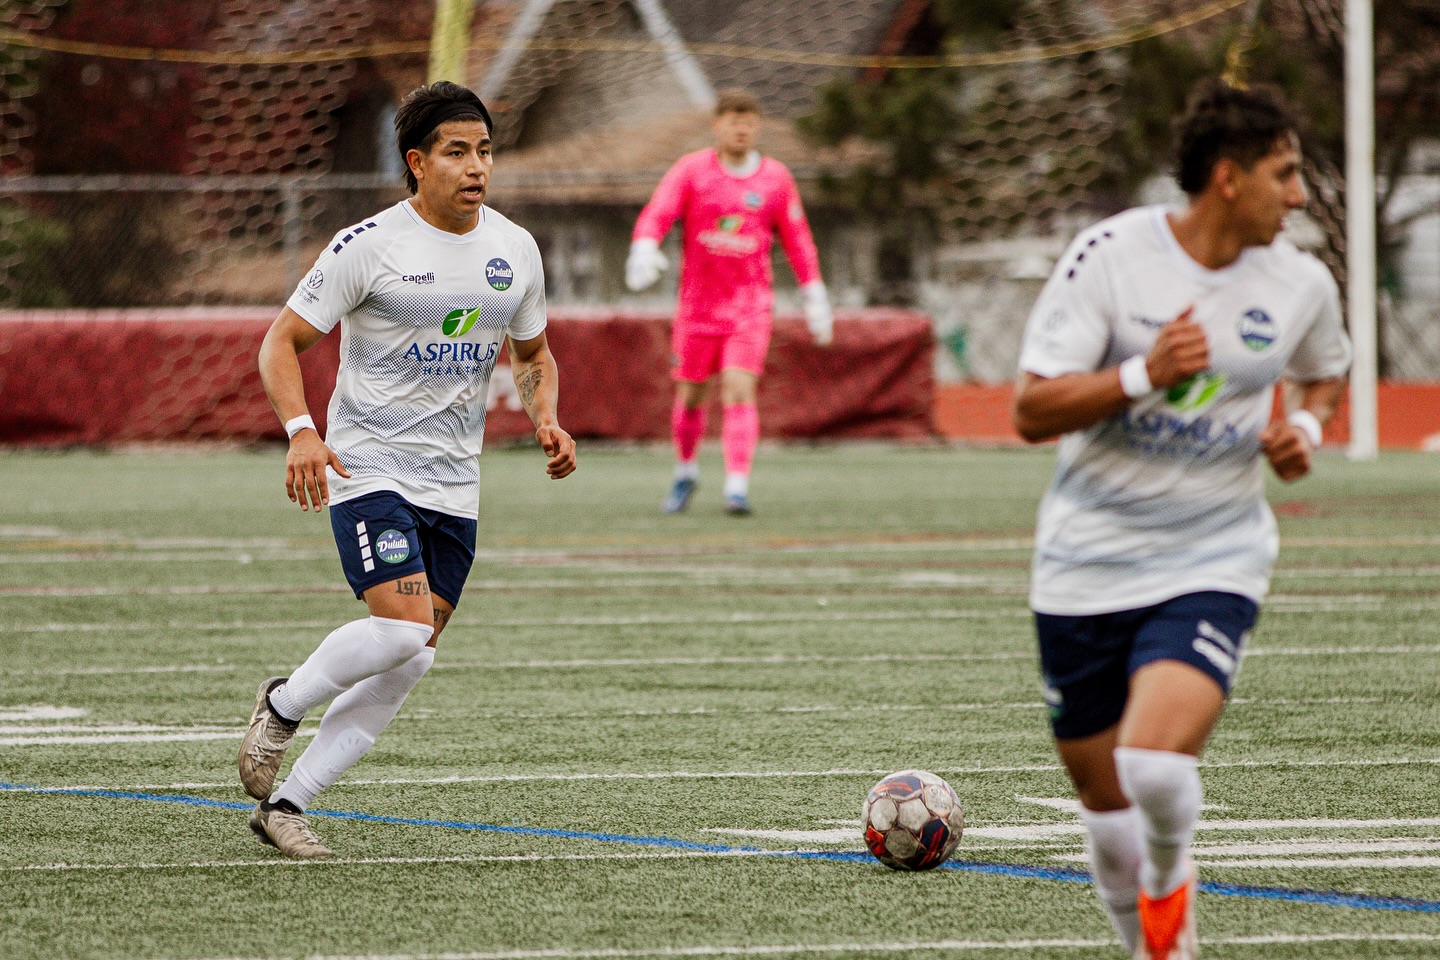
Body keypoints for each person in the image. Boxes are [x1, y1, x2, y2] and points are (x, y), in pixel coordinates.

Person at [1012, 79, 1350, 959]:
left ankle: (1171, 890)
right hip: (1084, 563)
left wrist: (1304, 427)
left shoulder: (1302, 282)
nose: (1301, 195)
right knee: (1107, 811)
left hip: (1214, 554)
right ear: (1228, 178)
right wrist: (1142, 375)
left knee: (1155, 766)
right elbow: (1031, 408)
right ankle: (1159, 944)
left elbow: (1326, 371)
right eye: (1286, 174)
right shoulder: (1111, 257)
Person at [240, 80, 576, 857]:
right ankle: (284, 703)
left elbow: (533, 355)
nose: (476, 167)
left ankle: (288, 803)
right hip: (369, 468)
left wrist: (545, 417)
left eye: (485, 150)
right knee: (404, 627)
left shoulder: (514, 250)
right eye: (458, 152)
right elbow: (280, 342)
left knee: (414, 654)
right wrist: (301, 432)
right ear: (417, 163)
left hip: (456, 483)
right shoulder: (369, 246)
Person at [625, 88, 833, 515]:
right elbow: (658, 212)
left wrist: (815, 293)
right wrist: (645, 246)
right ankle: (686, 472)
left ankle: (736, 487)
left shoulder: (775, 179)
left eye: (749, 121)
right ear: (717, 125)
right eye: (733, 120)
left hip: (749, 307)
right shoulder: (692, 171)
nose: (741, 129)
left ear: (758, 127)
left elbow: (798, 241)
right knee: (692, 396)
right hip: (698, 307)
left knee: (740, 390)